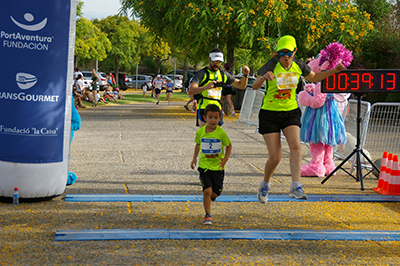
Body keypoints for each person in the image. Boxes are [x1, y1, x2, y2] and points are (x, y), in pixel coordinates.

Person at [252, 35, 345, 203]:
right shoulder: (272, 65)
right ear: (278, 54)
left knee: (295, 146)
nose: (286, 57)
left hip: (290, 112)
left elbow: (314, 77)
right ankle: (265, 184)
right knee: (275, 157)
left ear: (294, 52)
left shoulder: (299, 65)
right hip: (270, 113)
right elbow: (254, 85)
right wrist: (263, 78)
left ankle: (296, 186)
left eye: (289, 53)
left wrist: (334, 71)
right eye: (282, 53)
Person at [190, 104, 232, 225]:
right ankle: (208, 215)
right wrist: (194, 159)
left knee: (216, 192)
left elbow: (229, 145)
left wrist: (225, 159)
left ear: (220, 118)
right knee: (207, 191)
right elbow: (198, 144)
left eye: (216, 117)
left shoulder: (221, 133)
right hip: (204, 166)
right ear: (205, 118)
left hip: (218, 167)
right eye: (210, 117)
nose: (213, 120)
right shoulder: (200, 132)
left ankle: (213, 196)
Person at [189, 48, 250, 127]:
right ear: (209, 59)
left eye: (219, 62)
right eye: (215, 61)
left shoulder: (223, 75)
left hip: (217, 109)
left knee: (217, 136)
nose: (217, 64)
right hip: (204, 108)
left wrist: (245, 75)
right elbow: (191, 90)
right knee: (206, 135)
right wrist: (205, 87)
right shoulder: (202, 73)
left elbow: (241, 86)